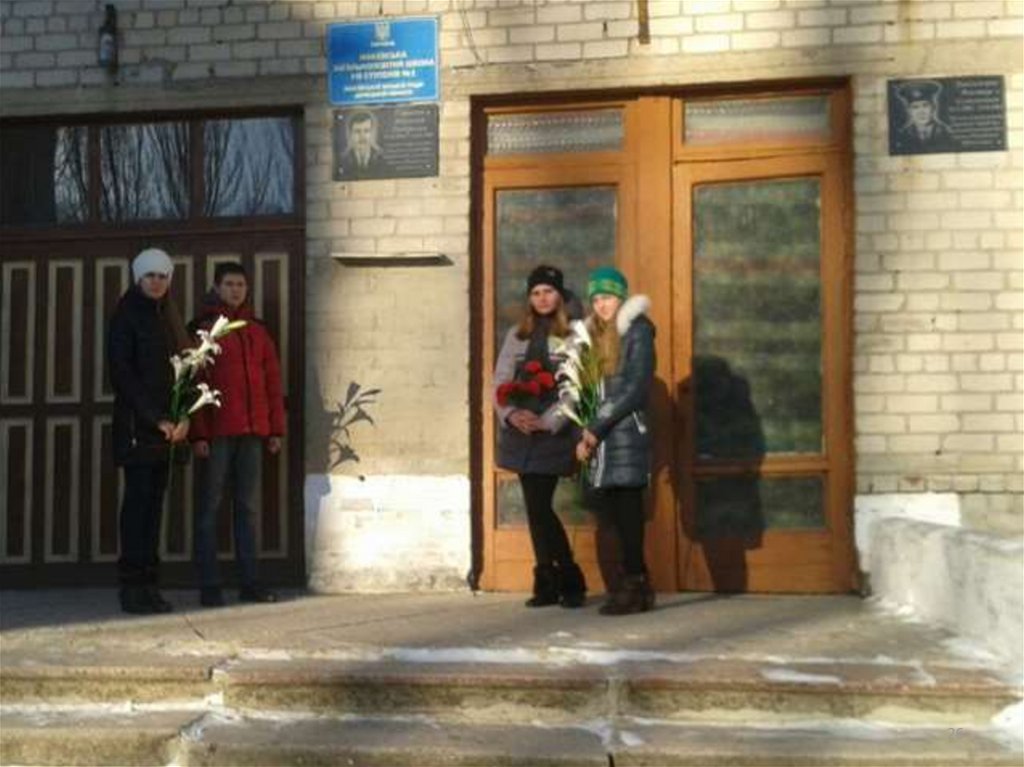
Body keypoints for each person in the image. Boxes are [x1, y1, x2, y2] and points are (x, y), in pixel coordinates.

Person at [189, 262, 285, 607]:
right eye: (229, 284)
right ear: (217, 288)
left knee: (248, 508)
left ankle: (250, 582)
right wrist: (199, 435)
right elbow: (196, 384)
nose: (235, 290)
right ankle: (210, 584)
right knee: (209, 508)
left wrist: (275, 428)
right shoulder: (205, 330)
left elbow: (272, 381)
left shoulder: (257, 331)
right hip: (217, 434)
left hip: (252, 433)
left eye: (240, 284)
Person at [493, 265, 587, 609]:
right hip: (521, 431)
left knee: (538, 505)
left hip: (551, 433)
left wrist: (548, 422)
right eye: (536, 293)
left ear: (559, 295)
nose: (542, 298)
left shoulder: (574, 334)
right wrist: (511, 414)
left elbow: (576, 387)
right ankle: (550, 581)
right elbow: (500, 379)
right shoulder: (516, 335)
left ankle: (568, 579)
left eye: (548, 291)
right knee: (536, 508)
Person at [108, 247, 190, 614]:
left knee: (154, 509)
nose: (156, 282)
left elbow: (185, 369)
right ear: (138, 278)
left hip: (168, 432)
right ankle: (131, 589)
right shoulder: (126, 315)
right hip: (138, 429)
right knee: (137, 508)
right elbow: (123, 374)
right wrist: (156, 418)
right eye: (150, 276)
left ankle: (150, 586)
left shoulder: (170, 316)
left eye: (162, 276)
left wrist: (184, 416)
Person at [575, 266, 656, 616]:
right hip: (604, 439)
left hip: (625, 434)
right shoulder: (595, 337)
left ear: (621, 297)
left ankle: (635, 587)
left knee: (628, 513)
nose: (602, 305)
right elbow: (589, 390)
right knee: (615, 517)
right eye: (596, 300)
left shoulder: (638, 330)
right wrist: (584, 430)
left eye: (607, 298)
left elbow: (635, 388)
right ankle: (634, 586)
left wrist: (596, 427)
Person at [892, 80, 958, 154]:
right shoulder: (903, 135)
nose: (921, 112)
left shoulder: (946, 132)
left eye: (925, 105)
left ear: (933, 107)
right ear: (909, 110)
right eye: (915, 107)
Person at [338, 110, 388, 179]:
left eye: (366, 131)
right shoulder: (344, 158)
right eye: (357, 131)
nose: (362, 136)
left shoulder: (382, 158)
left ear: (372, 133)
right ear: (350, 134)